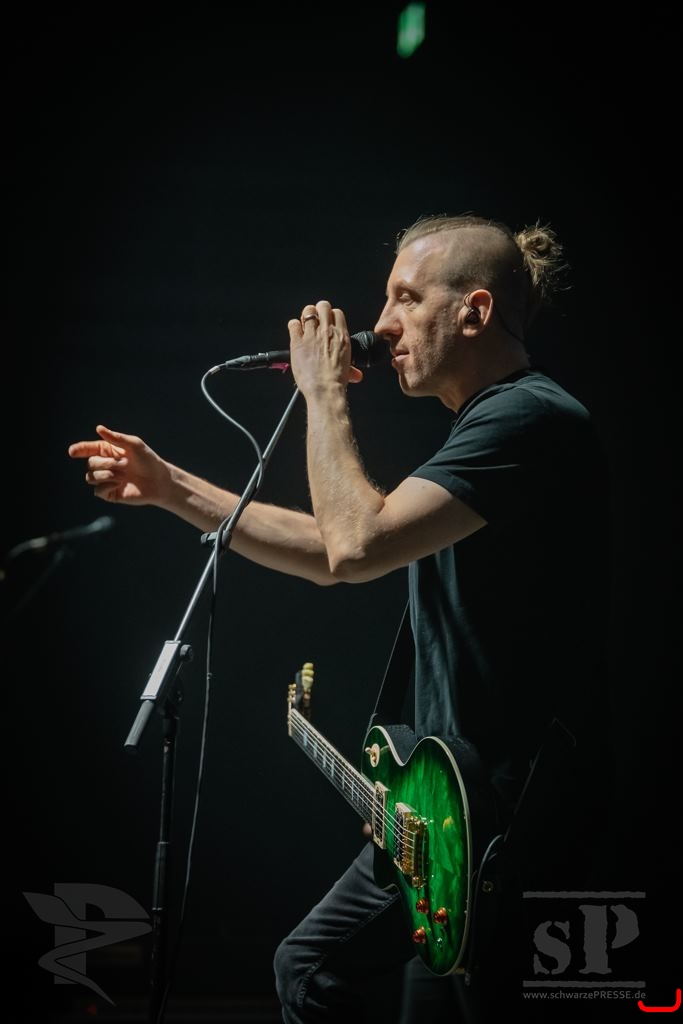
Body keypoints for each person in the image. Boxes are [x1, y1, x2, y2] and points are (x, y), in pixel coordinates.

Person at [68, 214, 613, 1022]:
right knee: (318, 971)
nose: (382, 324)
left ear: (474, 311)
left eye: (406, 298)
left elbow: (355, 545)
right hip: (440, 812)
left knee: (332, 973)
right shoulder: (486, 428)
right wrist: (169, 487)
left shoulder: (532, 418)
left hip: (517, 824)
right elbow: (333, 550)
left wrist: (322, 392)